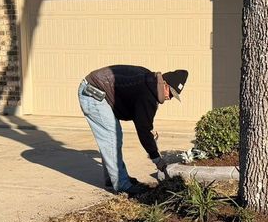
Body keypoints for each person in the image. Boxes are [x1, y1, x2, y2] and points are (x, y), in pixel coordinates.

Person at [78, 65, 189, 195]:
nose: (170, 97)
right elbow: (143, 129)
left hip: (101, 93)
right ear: (164, 83)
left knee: (114, 137)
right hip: (94, 93)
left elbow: (144, 122)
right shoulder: (148, 92)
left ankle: (112, 179)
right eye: (170, 92)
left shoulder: (150, 84)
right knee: (112, 137)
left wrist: (149, 131)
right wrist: (156, 158)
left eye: (173, 95)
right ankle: (121, 184)